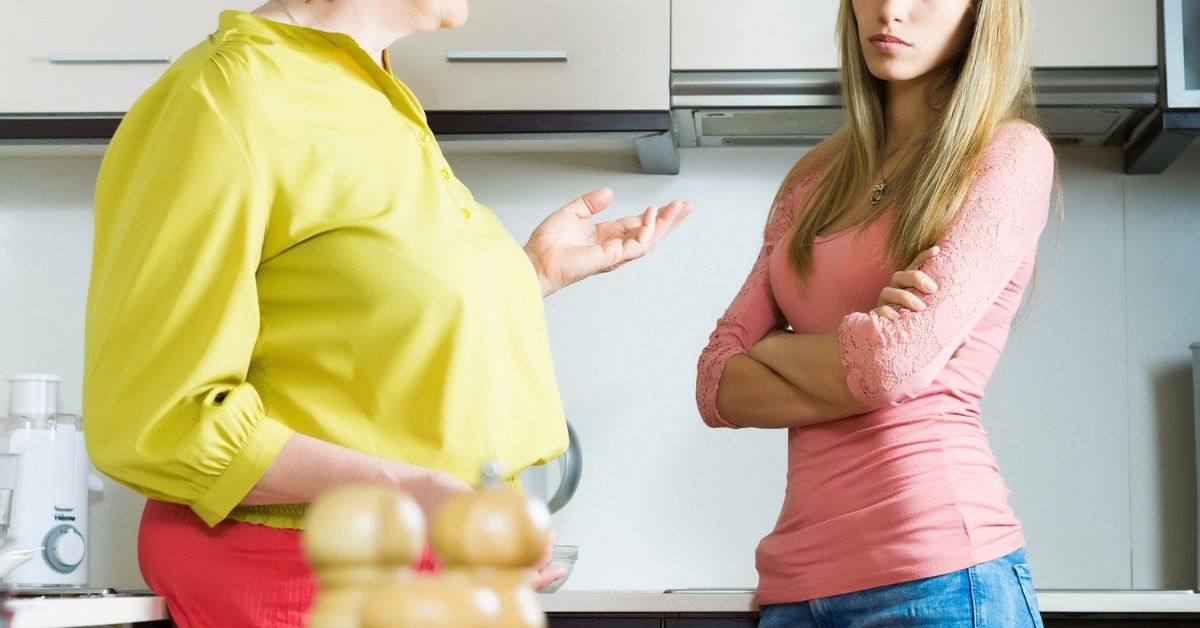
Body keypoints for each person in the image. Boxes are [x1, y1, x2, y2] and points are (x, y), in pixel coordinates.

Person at [82, 1, 692, 626]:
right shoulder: (221, 97)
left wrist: (529, 273)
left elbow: (355, 326)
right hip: (299, 580)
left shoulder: (373, 95)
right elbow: (157, 419)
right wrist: (410, 492)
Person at [696, 0, 1055, 626]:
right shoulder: (813, 179)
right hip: (793, 590)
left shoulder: (1008, 155)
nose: (890, 10)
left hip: (939, 575)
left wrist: (775, 347)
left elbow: (892, 366)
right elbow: (716, 383)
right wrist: (866, 359)